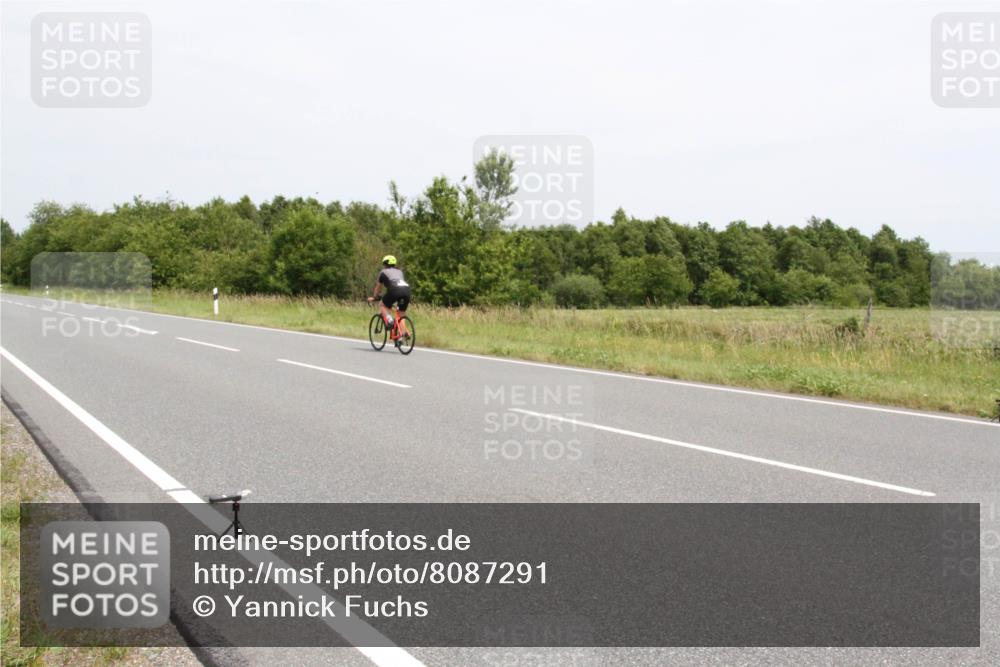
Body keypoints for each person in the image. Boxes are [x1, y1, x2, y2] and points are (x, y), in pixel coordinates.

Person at [367, 255, 411, 341]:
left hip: (394, 290)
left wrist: (375, 297)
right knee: (401, 313)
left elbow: (378, 287)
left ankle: (390, 320)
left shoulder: (383, 272)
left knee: (382, 305)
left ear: (385, 264)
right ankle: (404, 333)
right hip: (406, 291)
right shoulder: (400, 272)